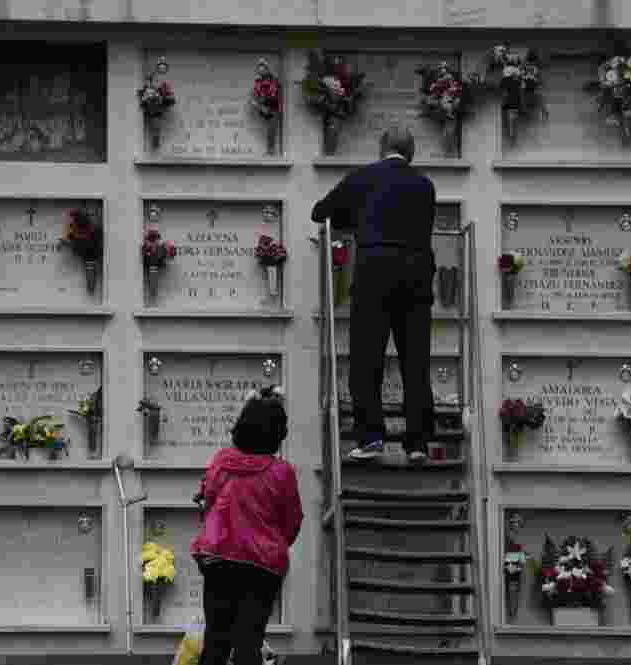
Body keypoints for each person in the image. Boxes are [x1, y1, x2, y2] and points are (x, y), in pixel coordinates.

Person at [311, 125, 437, 464]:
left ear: (382, 148)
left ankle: (371, 437)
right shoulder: (425, 185)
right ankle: (418, 443)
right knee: (416, 363)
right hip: (416, 280)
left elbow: (320, 212)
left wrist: (355, 219)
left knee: (367, 360)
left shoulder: (362, 178)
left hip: (374, 276)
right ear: (410, 153)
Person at [191, 386, 303, 665]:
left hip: (219, 558)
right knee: (249, 643)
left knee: (216, 639)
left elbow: (210, 501)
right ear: (277, 433)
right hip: (261, 566)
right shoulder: (282, 472)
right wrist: (273, 542)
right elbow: (292, 520)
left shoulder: (221, 462)